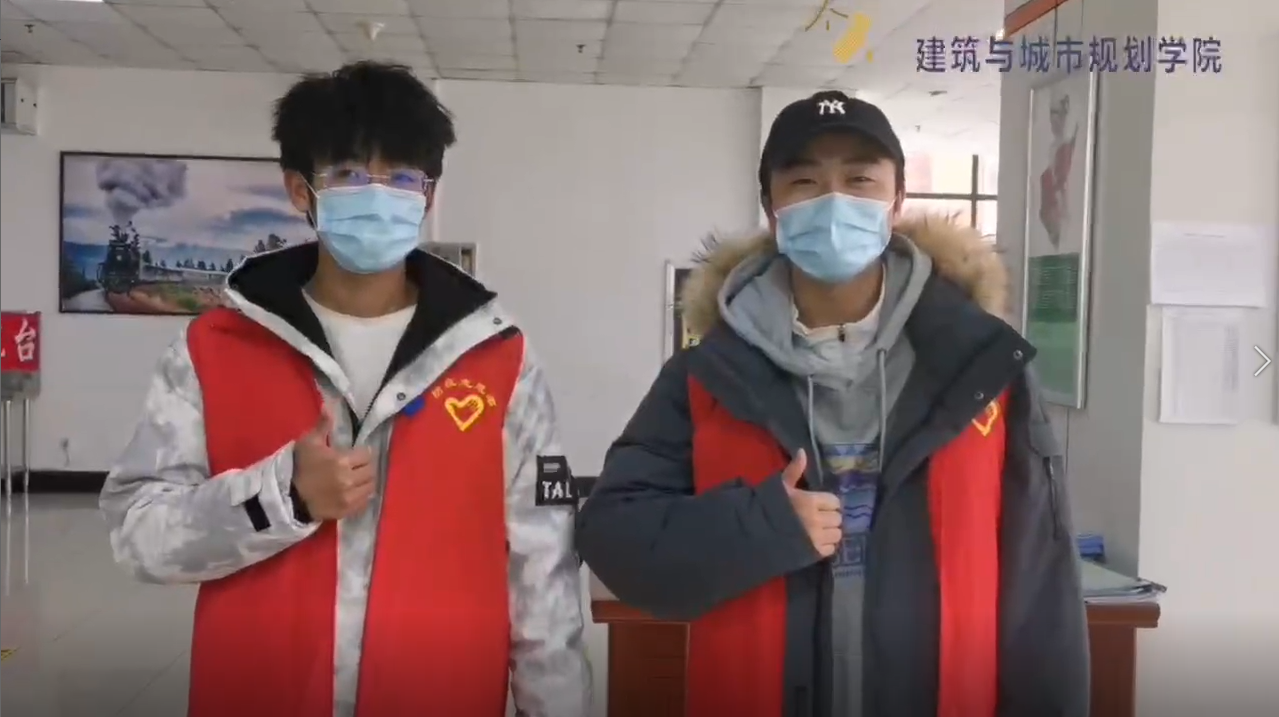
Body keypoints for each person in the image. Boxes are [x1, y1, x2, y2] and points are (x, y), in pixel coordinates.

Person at [100, 62, 590, 717]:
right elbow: (138, 534)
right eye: (351, 174)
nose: (378, 194)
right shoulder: (214, 349)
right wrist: (280, 497)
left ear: (428, 195)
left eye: (403, 177)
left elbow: (543, 577)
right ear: (299, 190)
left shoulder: (498, 358)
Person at [576, 90, 1088, 717]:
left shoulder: (983, 367)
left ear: (897, 201)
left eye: (860, 179)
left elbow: (1041, 584)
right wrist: (759, 527)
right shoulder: (710, 374)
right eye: (805, 182)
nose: (834, 201)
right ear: (772, 210)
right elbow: (614, 537)